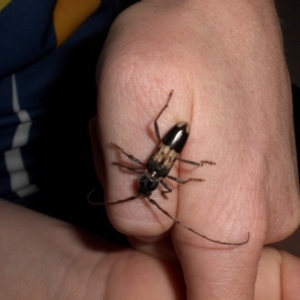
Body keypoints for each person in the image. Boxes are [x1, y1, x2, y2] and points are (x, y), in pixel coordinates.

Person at [0, 0, 299, 299]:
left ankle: (176, 124)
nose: (149, 187)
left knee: (167, 149)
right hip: (168, 137)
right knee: (179, 168)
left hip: (171, 132)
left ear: (147, 179)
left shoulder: (155, 174)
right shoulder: (153, 172)